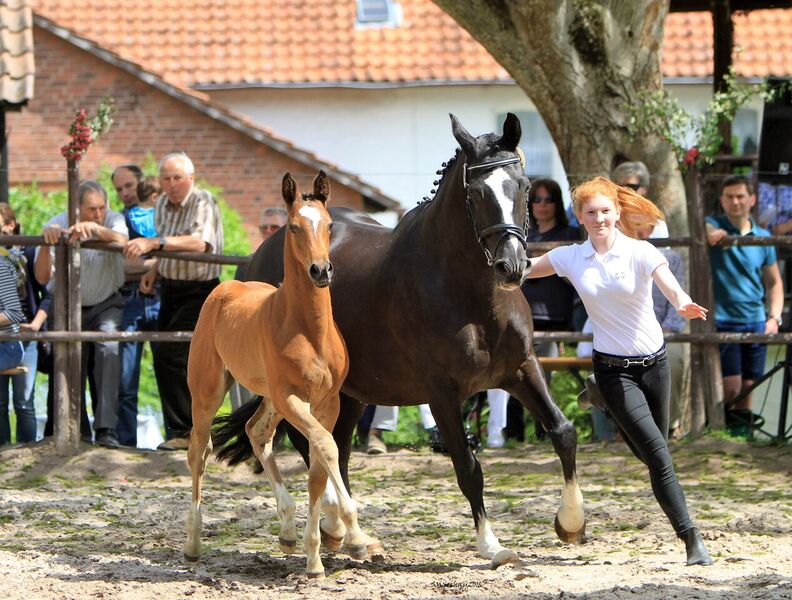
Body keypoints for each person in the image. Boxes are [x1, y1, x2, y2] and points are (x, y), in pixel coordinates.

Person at [526, 175, 714, 566]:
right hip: (614, 370)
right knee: (660, 458)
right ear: (580, 216)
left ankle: (604, 404)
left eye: (605, 211)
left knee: (653, 453)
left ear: (617, 213)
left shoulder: (640, 252)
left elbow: (672, 288)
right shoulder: (570, 257)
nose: (599, 218)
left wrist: (683, 305)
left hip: (655, 365)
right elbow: (524, 268)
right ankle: (692, 538)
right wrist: (493, 262)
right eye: (591, 212)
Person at [125, 152, 224, 451]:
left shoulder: (203, 201)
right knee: (165, 356)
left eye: (177, 178)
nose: (172, 184)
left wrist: (155, 245)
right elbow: (169, 243)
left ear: (190, 179)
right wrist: (156, 269)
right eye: (166, 178)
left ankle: (193, 430)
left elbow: (200, 242)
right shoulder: (160, 206)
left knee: (179, 356)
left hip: (200, 289)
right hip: (171, 287)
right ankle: (184, 430)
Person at [35, 180, 129, 448]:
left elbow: (123, 240)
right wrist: (46, 242)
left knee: (108, 350)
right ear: (76, 209)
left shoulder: (113, 219)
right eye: (91, 210)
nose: (98, 214)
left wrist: (98, 230)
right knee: (67, 357)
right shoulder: (58, 220)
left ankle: (107, 429)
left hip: (105, 302)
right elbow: (42, 277)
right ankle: (75, 427)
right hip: (66, 304)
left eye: (101, 208)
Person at [705, 175, 783, 433]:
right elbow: (704, 229)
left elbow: (774, 282)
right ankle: (723, 431)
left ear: (752, 200)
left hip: (755, 319)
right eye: (730, 197)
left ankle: (742, 437)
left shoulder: (763, 237)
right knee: (731, 387)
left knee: (751, 384)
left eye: (740, 196)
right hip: (724, 319)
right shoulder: (714, 225)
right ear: (722, 201)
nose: (735, 202)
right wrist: (713, 234)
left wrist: (774, 317)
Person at [505, 178, 579, 443]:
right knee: (510, 374)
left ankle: (544, 432)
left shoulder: (570, 235)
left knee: (540, 379)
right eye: (537, 199)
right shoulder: (521, 235)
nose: (542, 205)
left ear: (557, 203)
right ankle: (514, 433)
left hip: (553, 317)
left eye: (549, 199)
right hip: (517, 317)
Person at [112, 166, 161, 448]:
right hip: (129, 298)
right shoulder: (120, 221)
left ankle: (180, 437)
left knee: (171, 371)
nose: (125, 193)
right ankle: (126, 442)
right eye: (119, 189)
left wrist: (153, 265)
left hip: (162, 297)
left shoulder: (161, 214)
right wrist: (159, 264)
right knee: (126, 378)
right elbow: (122, 265)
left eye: (128, 186)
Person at [0, 205, 42, 445]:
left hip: (14, 339)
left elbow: (13, 313)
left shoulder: (8, 261)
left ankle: (25, 449)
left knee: (23, 402)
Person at [611, 161, 670, 238]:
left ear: (643, 189)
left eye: (630, 187)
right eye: (618, 187)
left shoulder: (657, 225)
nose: (623, 191)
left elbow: (662, 250)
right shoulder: (607, 220)